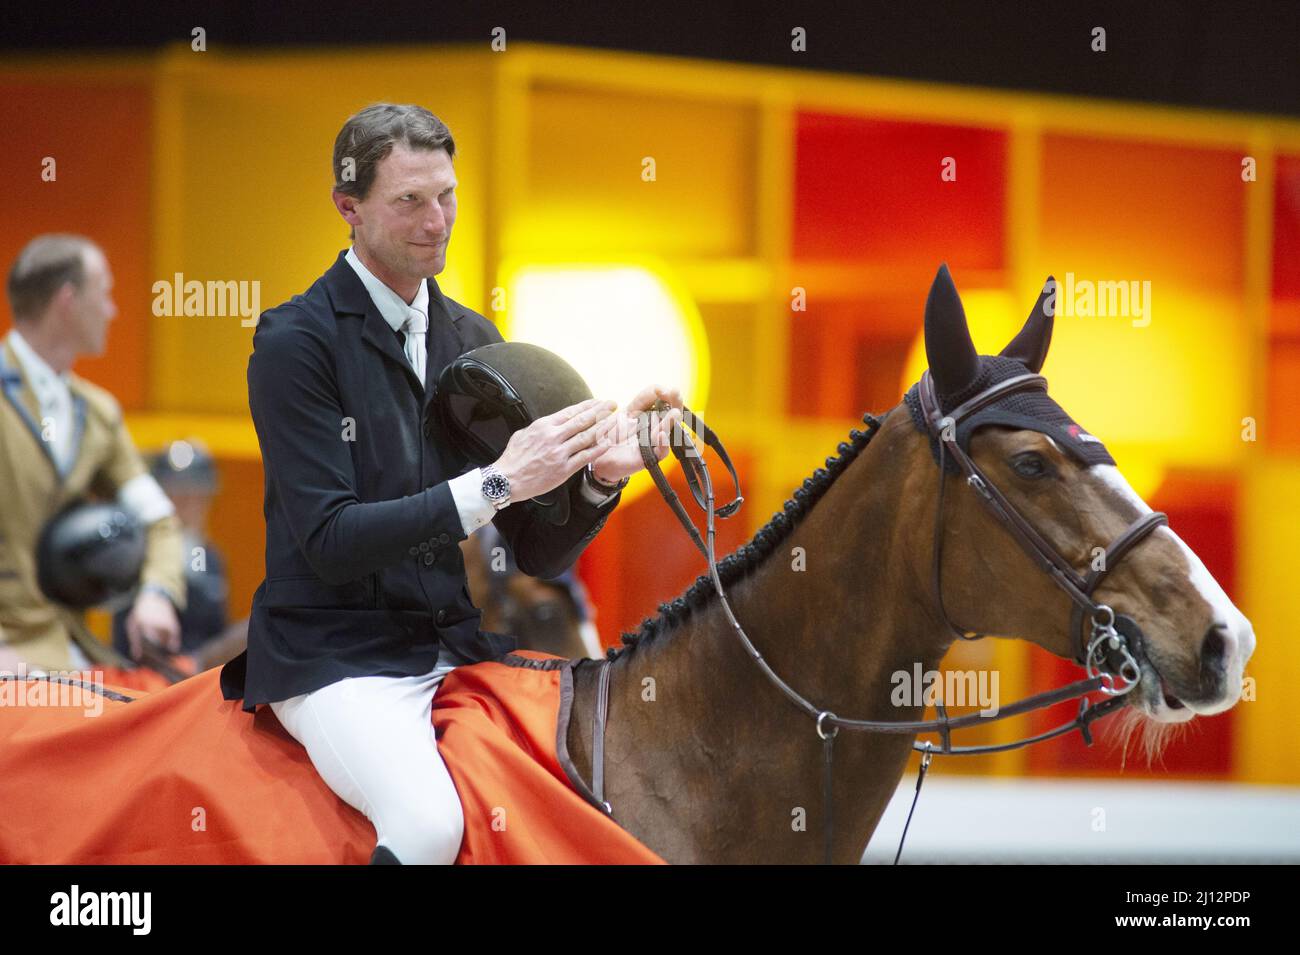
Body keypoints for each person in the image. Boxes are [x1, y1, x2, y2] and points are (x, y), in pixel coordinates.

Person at [218, 103, 683, 864]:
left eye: (448, 196)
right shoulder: (294, 342)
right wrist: (498, 481)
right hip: (333, 654)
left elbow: (536, 553)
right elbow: (332, 541)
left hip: (454, 644)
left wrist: (599, 478)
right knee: (429, 824)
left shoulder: (478, 340)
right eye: (409, 201)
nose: (437, 221)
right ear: (349, 207)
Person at [0, 235, 186, 674]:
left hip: (75, 651)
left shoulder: (99, 413)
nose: (112, 310)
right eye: (104, 294)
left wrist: (157, 592)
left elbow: (157, 518)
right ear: (68, 300)